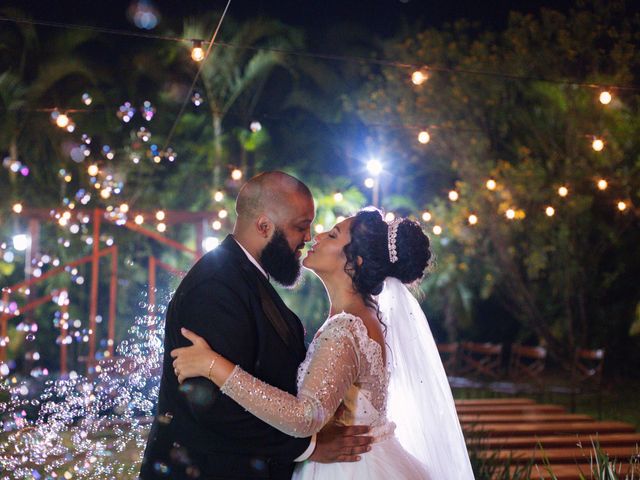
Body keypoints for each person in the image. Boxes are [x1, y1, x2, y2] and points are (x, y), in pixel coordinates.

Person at [171, 209, 475, 479]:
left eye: (332, 234)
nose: (315, 236)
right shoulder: (362, 318)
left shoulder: (345, 330)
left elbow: (305, 417)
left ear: (355, 261)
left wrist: (213, 366)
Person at [140, 172, 373, 480]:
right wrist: (308, 447)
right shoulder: (216, 285)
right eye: (301, 227)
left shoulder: (246, 277)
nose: (308, 238)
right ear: (264, 226)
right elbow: (210, 406)